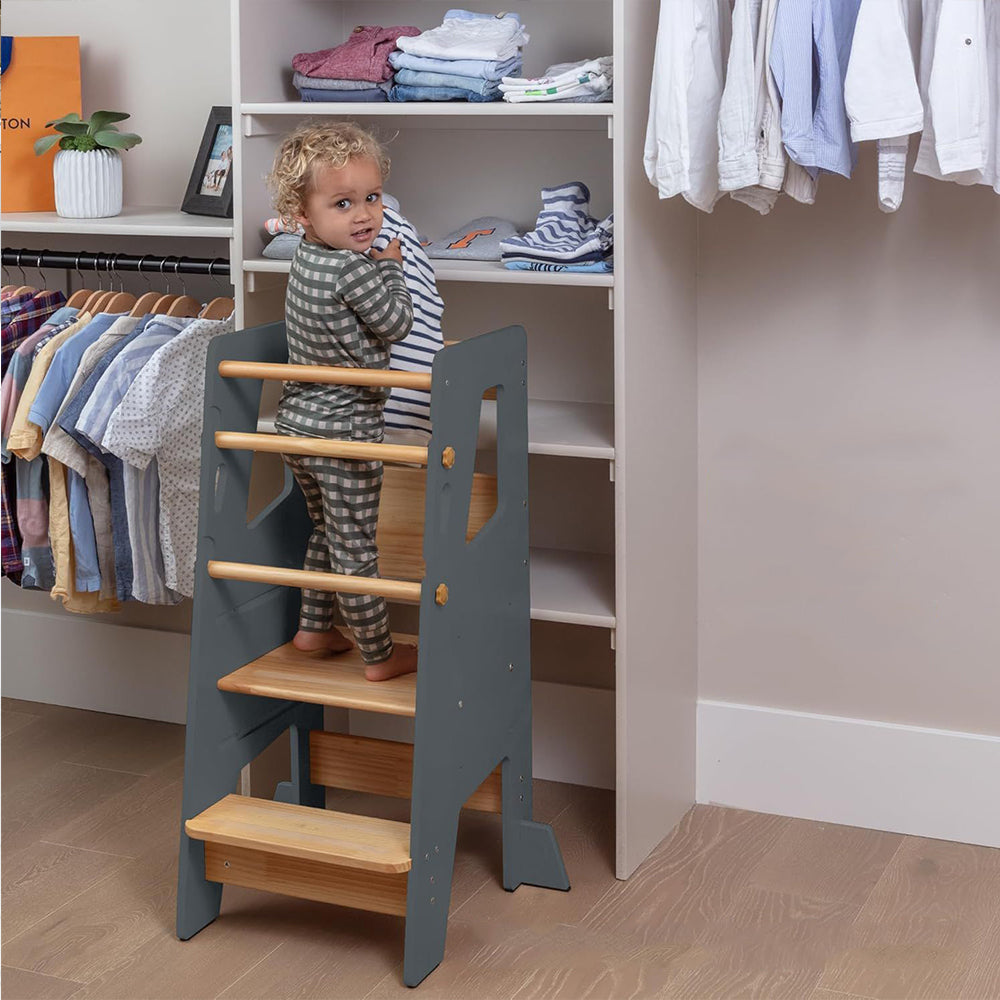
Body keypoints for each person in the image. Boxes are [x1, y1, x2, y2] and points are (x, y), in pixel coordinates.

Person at [267, 121, 418, 682]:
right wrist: (394, 272)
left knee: (327, 533)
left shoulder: (306, 257)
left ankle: (313, 628)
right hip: (345, 434)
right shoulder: (357, 269)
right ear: (302, 215)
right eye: (343, 203)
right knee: (357, 549)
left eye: (372, 198)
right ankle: (379, 656)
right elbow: (397, 324)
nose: (364, 216)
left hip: (296, 427)